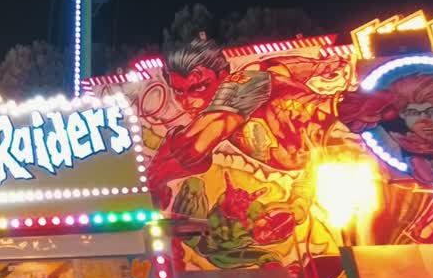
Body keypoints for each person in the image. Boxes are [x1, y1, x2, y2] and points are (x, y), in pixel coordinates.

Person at [145, 39, 338, 208]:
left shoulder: (243, 83)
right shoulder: (254, 79)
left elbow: (204, 136)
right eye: (179, 92)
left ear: (222, 77)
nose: (188, 102)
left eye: (199, 87)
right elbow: (284, 68)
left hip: (336, 129)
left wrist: (156, 181)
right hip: (324, 158)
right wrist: (322, 66)